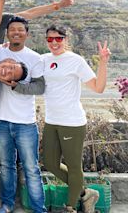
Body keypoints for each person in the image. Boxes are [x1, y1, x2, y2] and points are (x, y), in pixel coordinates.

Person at [41, 25, 111, 213]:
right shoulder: (43, 60)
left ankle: (71, 206)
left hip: (72, 122)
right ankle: (85, 193)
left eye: (58, 39)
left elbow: (98, 88)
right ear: (46, 41)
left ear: (65, 39)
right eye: (50, 39)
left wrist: (103, 63)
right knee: (50, 163)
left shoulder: (75, 61)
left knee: (73, 166)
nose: (54, 42)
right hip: (51, 120)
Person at [0, 16, 46, 213]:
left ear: (27, 34)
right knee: (6, 166)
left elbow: (40, 87)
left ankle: (39, 208)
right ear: (7, 32)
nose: (16, 32)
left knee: (31, 168)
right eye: (12, 29)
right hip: (1, 119)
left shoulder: (35, 58)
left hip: (25, 122)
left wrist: (16, 87)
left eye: (20, 30)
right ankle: (7, 205)